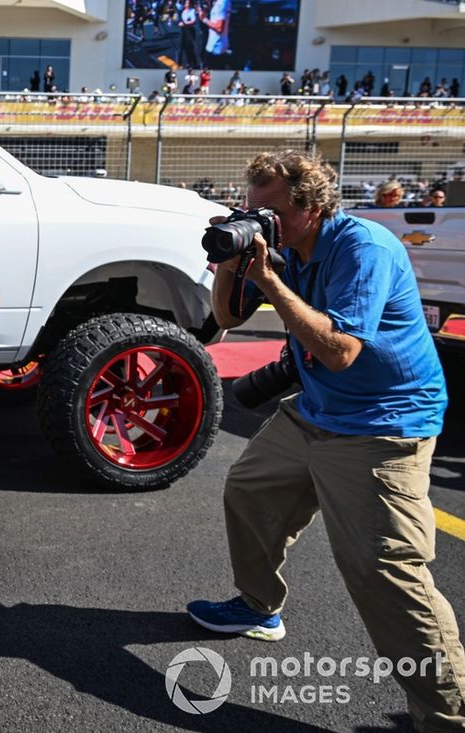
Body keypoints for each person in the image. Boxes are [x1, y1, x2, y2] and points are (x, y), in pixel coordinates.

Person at [187, 150, 464, 733]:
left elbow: (339, 351)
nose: (262, 222)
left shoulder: (363, 247)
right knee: (250, 489)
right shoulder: (284, 244)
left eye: (273, 211)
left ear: (312, 208)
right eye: (252, 209)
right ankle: (259, 607)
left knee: (384, 569)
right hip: (316, 410)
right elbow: (228, 320)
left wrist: (265, 276)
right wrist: (234, 265)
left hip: (383, 423)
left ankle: (448, 715)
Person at [202, 0, 230, 68]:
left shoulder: (222, 2)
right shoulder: (218, 3)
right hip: (213, 46)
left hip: (216, 47)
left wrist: (204, 20)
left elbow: (219, 28)